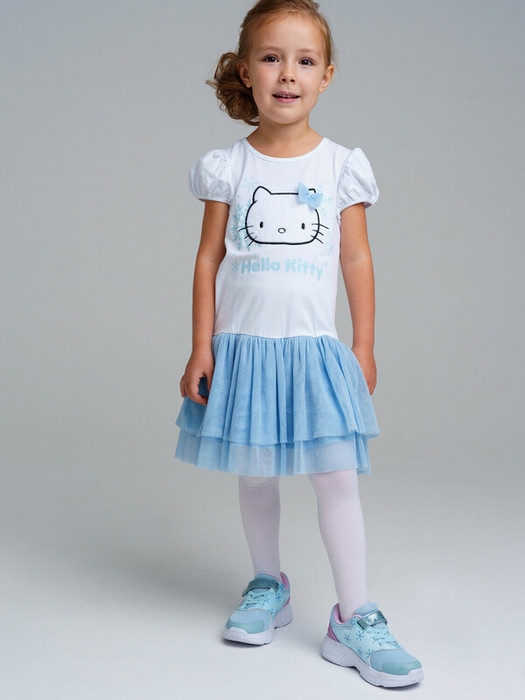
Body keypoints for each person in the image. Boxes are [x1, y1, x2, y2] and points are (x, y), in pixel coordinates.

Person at [174, 0, 423, 688]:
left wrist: (363, 344)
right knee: (255, 475)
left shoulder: (341, 166)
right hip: (244, 349)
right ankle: (268, 585)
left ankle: (355, 616)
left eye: (304, 61)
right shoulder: (228, 167)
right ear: (245, 71)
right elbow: (207, 260)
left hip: (313, 349)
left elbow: (356, 260)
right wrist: (201, 347)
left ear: (326, 75)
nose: (288, 73)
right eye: (271, 57)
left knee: (335, 476)